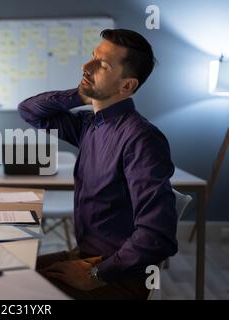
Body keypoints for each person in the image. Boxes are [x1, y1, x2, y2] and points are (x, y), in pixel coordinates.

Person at [18, 29, 178, 300]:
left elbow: (157, 236)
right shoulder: (91, 125)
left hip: (115, 275)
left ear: (126, 86)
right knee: (3, 273)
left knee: (7, 293)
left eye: (102, 65)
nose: (86, 66)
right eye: (93, 57)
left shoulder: (142, 138)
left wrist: (97, 274)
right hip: (86, 257)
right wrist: (82, 94)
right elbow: (29, 111)